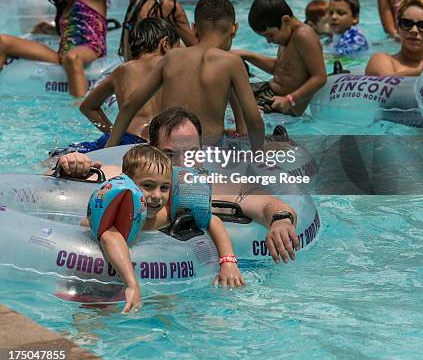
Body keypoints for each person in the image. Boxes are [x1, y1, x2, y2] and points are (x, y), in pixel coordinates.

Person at [57, 107, 300, 265]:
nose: (183, 164)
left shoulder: (210, 186)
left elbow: (269, 203)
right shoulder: (125, 179)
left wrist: (280, 220)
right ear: (151, 152)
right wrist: (71, 164)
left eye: (191, 154)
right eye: (170, 154)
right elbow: (59, 179)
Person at [83, 144, 245, 313]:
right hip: (102, 284)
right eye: (148, 186)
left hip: (152, 280)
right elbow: (109, 237)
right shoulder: (121, 214)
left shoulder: (165, 215)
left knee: (177, 308)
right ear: (128, 183)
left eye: (164, 188)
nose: (157, 196)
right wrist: (131, 284)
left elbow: (212, 220)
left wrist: (228, 262)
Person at [106, 0, 265, 150]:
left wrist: (109, 150)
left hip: (166, 151)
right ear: (234, 29)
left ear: (195, 29)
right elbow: (255, 122)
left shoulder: (171, 57)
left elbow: (129, 106)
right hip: (205, 152)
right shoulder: (233, 62)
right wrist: (258, 154)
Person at [0, 0, 138, 96]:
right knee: (2, 41)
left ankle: (77, 109)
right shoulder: (64, 5)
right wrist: (51, 30)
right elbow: (74, 31)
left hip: (91, 49)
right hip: (62, 54)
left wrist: (133, 22)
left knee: (72, 58)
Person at [50, 19, 181, 156]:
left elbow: (87, 107)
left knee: (58, 156)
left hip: (127, 140)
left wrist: (114, 133)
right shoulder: (175, 67)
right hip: (164, 142)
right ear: (165, 44)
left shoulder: (123, 70)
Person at [235, 0, 327, 115]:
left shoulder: (303, 35)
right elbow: (280, 68)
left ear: (285, 20)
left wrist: (290, 100)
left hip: (283, 104)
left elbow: (320, 77)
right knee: (226, 90)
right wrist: (247, 55)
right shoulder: (287, 34)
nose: (268, 41)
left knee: (231, 105)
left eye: (270, 35)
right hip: (270, 92)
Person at [366, 0, 423, 76]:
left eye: (422, 25)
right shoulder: (381, 60)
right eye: (406, 23)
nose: (414, 30)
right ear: (397, 27)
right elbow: (385, 81)